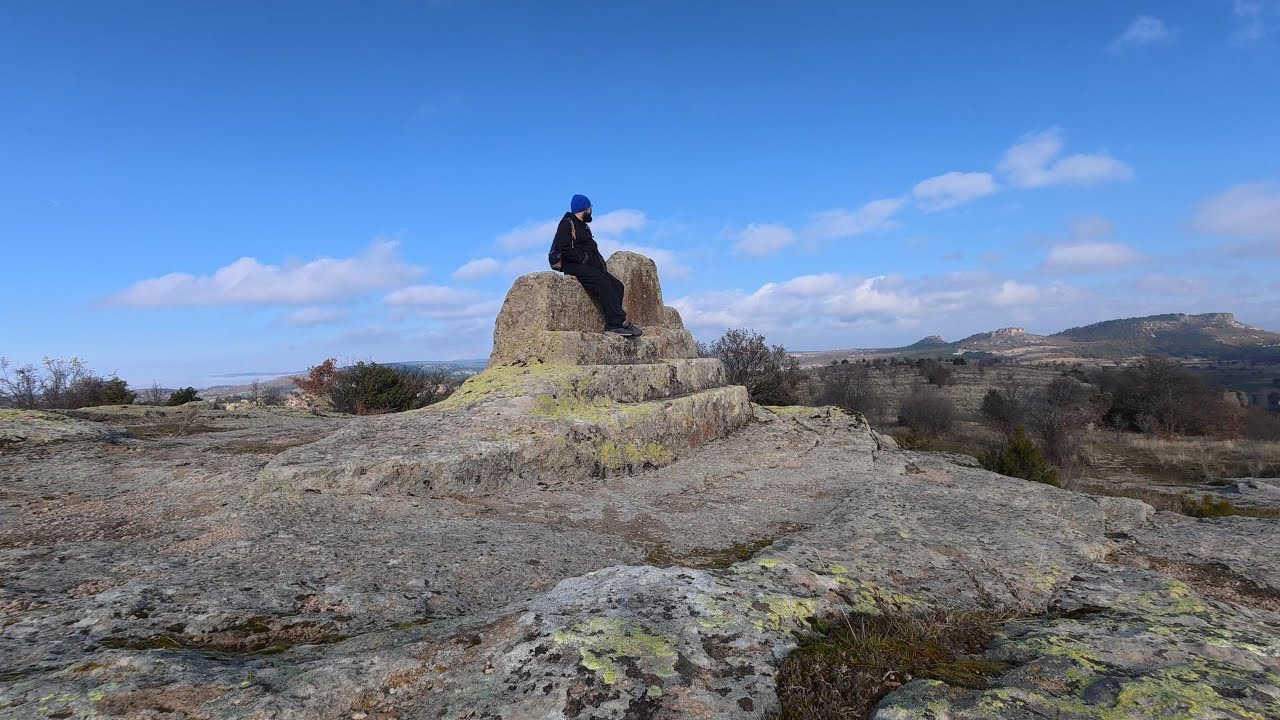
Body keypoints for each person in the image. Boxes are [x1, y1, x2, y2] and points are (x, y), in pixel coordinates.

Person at [548, 194, 643, 337]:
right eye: (590, 208)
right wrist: (584, 258)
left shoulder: (584, 226)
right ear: (584, 209)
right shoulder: (567, 223)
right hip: (574, 266)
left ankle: (614, 322)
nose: (591, 211)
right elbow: (564, 248)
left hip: (589, 266)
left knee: (617, 285)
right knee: (603, 282)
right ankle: (616, 323)